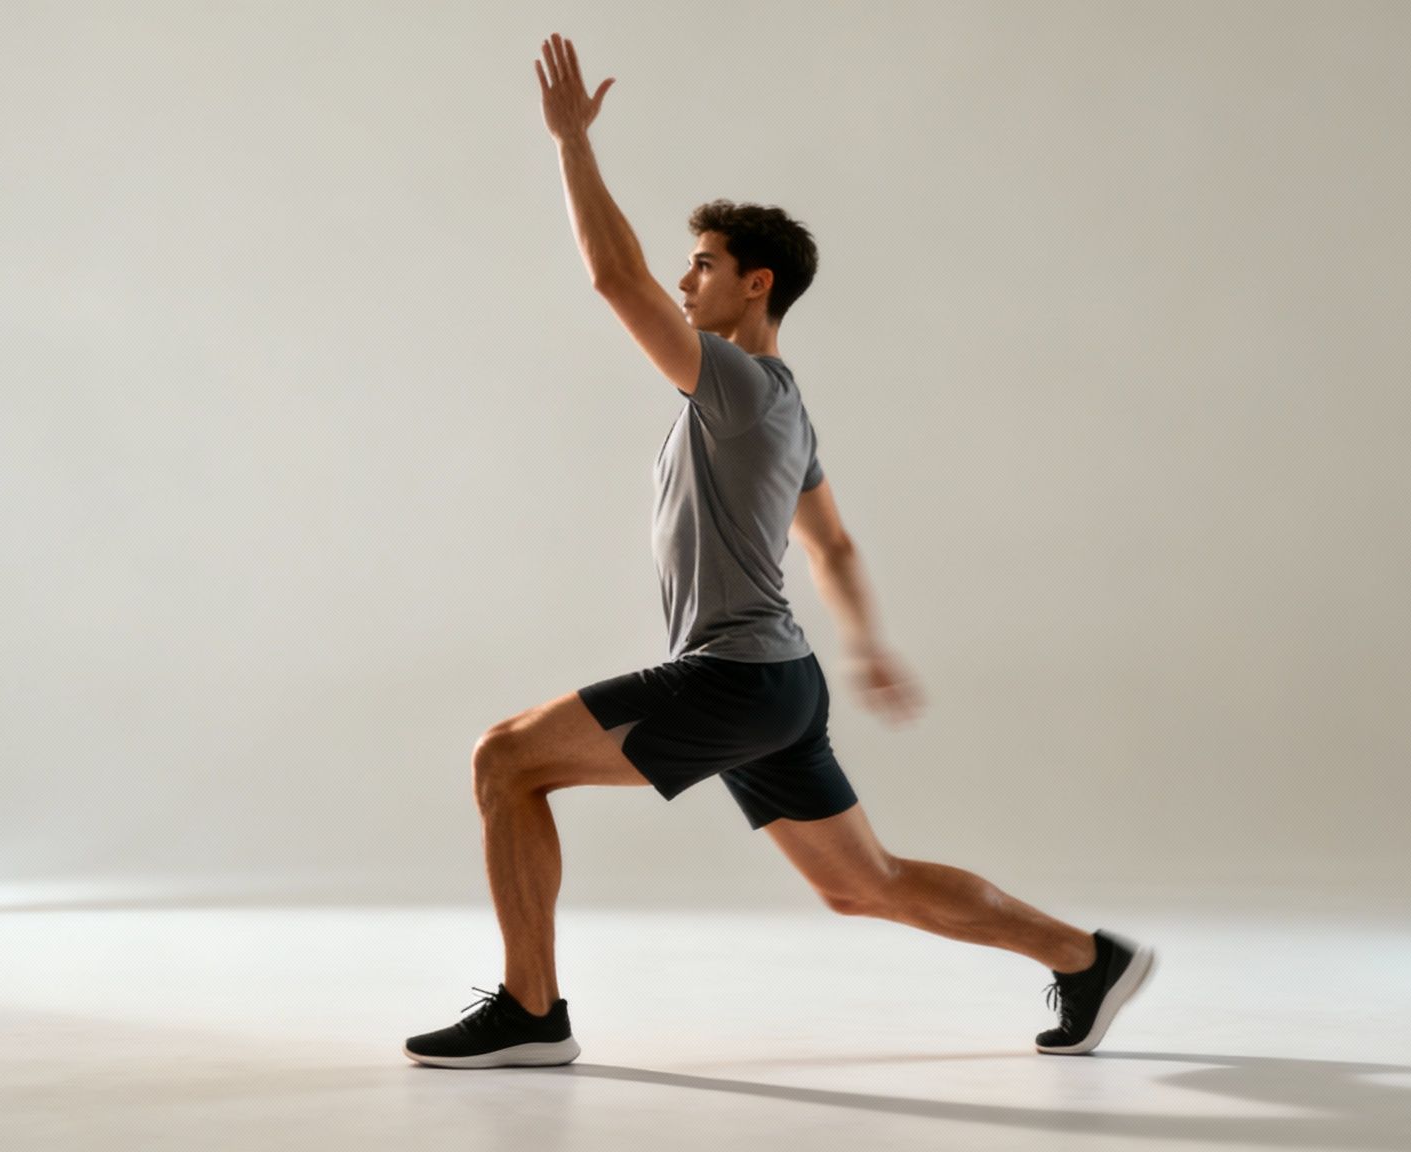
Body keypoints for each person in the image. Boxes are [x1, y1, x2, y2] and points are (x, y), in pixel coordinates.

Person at [403, 33, 1155, 1069]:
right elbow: (833, 545)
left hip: (732, 678)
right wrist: (865, 646)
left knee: (504, 759)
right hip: (780, 684)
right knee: (865, 884)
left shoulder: (737, 384)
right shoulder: (785, 404)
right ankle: (1085, 959)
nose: (682, 279)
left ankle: (532, 1014)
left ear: (753, 285)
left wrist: (572, 145)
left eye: (703, 264)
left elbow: (613, 281)